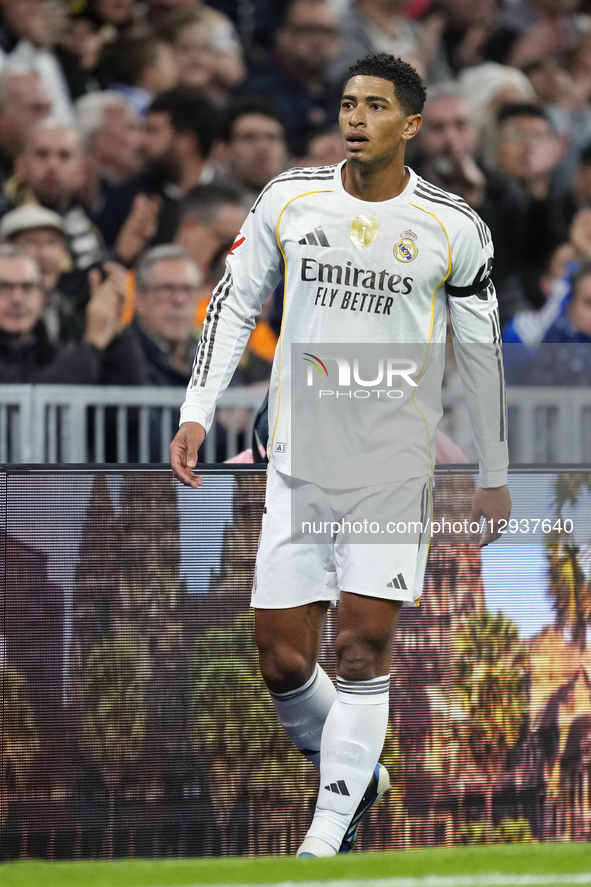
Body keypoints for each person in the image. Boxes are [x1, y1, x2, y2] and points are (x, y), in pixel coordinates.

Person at [170, 52, 511, 858]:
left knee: (360, 648)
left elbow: (480, 350)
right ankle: (358, 774)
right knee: (281, 660)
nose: (356, 117)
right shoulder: (288, 198)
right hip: (296, 460)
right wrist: (195, 410)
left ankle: (322, 839)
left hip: (391, 465)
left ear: (412, 124)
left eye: (376, 105)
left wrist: (493, 472)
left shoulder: (453, 225)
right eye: (348, 103)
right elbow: (233, 303)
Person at [0, 244, 142, 384]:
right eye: (4, 287)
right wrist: (94, 343)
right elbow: (33, 393)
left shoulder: (50, 352)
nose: (17, 299)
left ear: (42, 297)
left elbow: (129, 395)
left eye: (27, 287)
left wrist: (116, 330)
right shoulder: (72, 354)